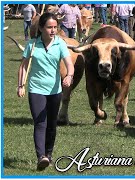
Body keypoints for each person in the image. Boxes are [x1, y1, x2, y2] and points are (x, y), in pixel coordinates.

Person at [17, 12, 74, 171]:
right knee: (40, 122)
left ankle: (49, 154)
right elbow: (23, 66)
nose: (53, 30)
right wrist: (21, 85)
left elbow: (69, 64)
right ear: (41, 28)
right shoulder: (32, 45)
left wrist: (69, 76)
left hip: (55, 90)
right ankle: (41, 156)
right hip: (36, 89)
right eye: (49, 27)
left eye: (55, 27)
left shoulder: (60, 44)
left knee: (52, 124)